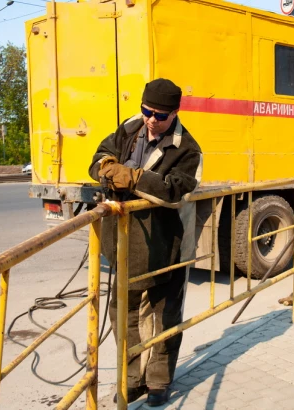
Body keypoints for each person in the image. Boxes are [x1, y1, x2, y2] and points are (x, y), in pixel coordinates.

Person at [88, 78, 202, 407]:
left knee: (163, 317)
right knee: (124, 314)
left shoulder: (188, 148)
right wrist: (108, 166)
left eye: (160, 115)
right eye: (147, 110)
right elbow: (100, 155)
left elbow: (173, 189)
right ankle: (132, 379)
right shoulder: (129, 129)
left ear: (175, 114)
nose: (152, 119)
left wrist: (135, 177)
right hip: (123, 243)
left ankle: (158, 383)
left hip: (166, 244)